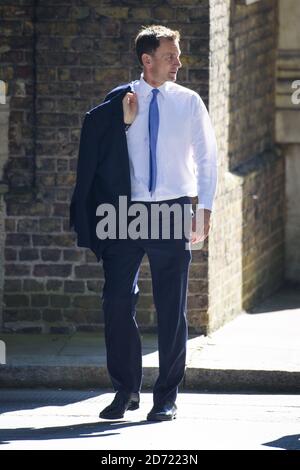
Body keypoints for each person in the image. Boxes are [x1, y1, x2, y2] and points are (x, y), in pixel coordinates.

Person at [71, 24, 217, 421]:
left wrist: (204, 207)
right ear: (147, 60)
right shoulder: (120, 103)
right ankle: (125, 391)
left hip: (171, 209)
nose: (178, 63)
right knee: (117, 302)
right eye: (171, 56)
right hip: (125, 213)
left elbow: (206, 157)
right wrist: (124, 123)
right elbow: (96, 148)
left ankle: (166, 396)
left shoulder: (188, 102)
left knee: (172, 308)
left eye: (179, 55)